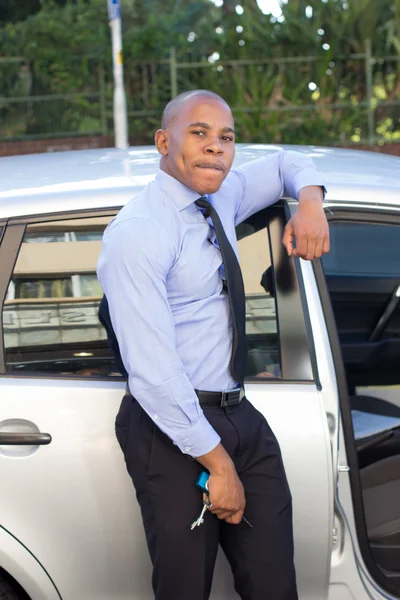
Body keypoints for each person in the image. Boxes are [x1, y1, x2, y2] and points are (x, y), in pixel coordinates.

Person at [96, 89, 329, 600]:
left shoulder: (222, 194)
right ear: (163, 141)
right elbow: (154, 374)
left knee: (274, 585)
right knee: (185, 590)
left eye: (225, 137)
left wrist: (311, 203)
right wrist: (219, 465)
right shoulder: (138, 232)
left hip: (236, 413)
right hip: (169, 426)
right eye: (198, 133)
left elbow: (291, 161)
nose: (215, 147)